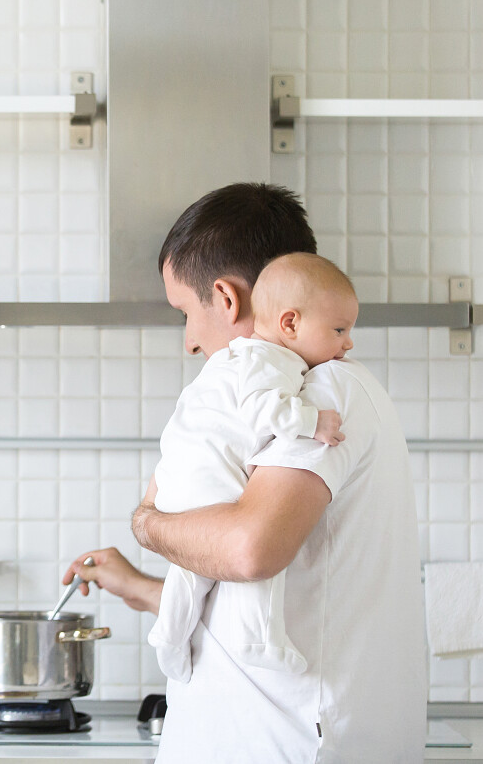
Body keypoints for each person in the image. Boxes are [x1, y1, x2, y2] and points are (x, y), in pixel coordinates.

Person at [63, 183, 426, 763]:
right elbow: (280, 597)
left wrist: (148, 522)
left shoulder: (323, 391)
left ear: (226, 299)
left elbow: (250, 551)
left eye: (185, 312)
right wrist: (143, 588)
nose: (188, 341)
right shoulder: (300, 390)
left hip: (285, 746)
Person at [148, 252, 358, 684]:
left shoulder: (240, 358)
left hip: (180, 481)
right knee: (259, 556)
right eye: (340, 330)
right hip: (213, 483)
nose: (349, 343)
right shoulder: (272, 360)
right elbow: (265, 412)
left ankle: (168, 637)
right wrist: (312, 421)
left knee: (190, 574)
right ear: (290, 324)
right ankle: (263, 639)